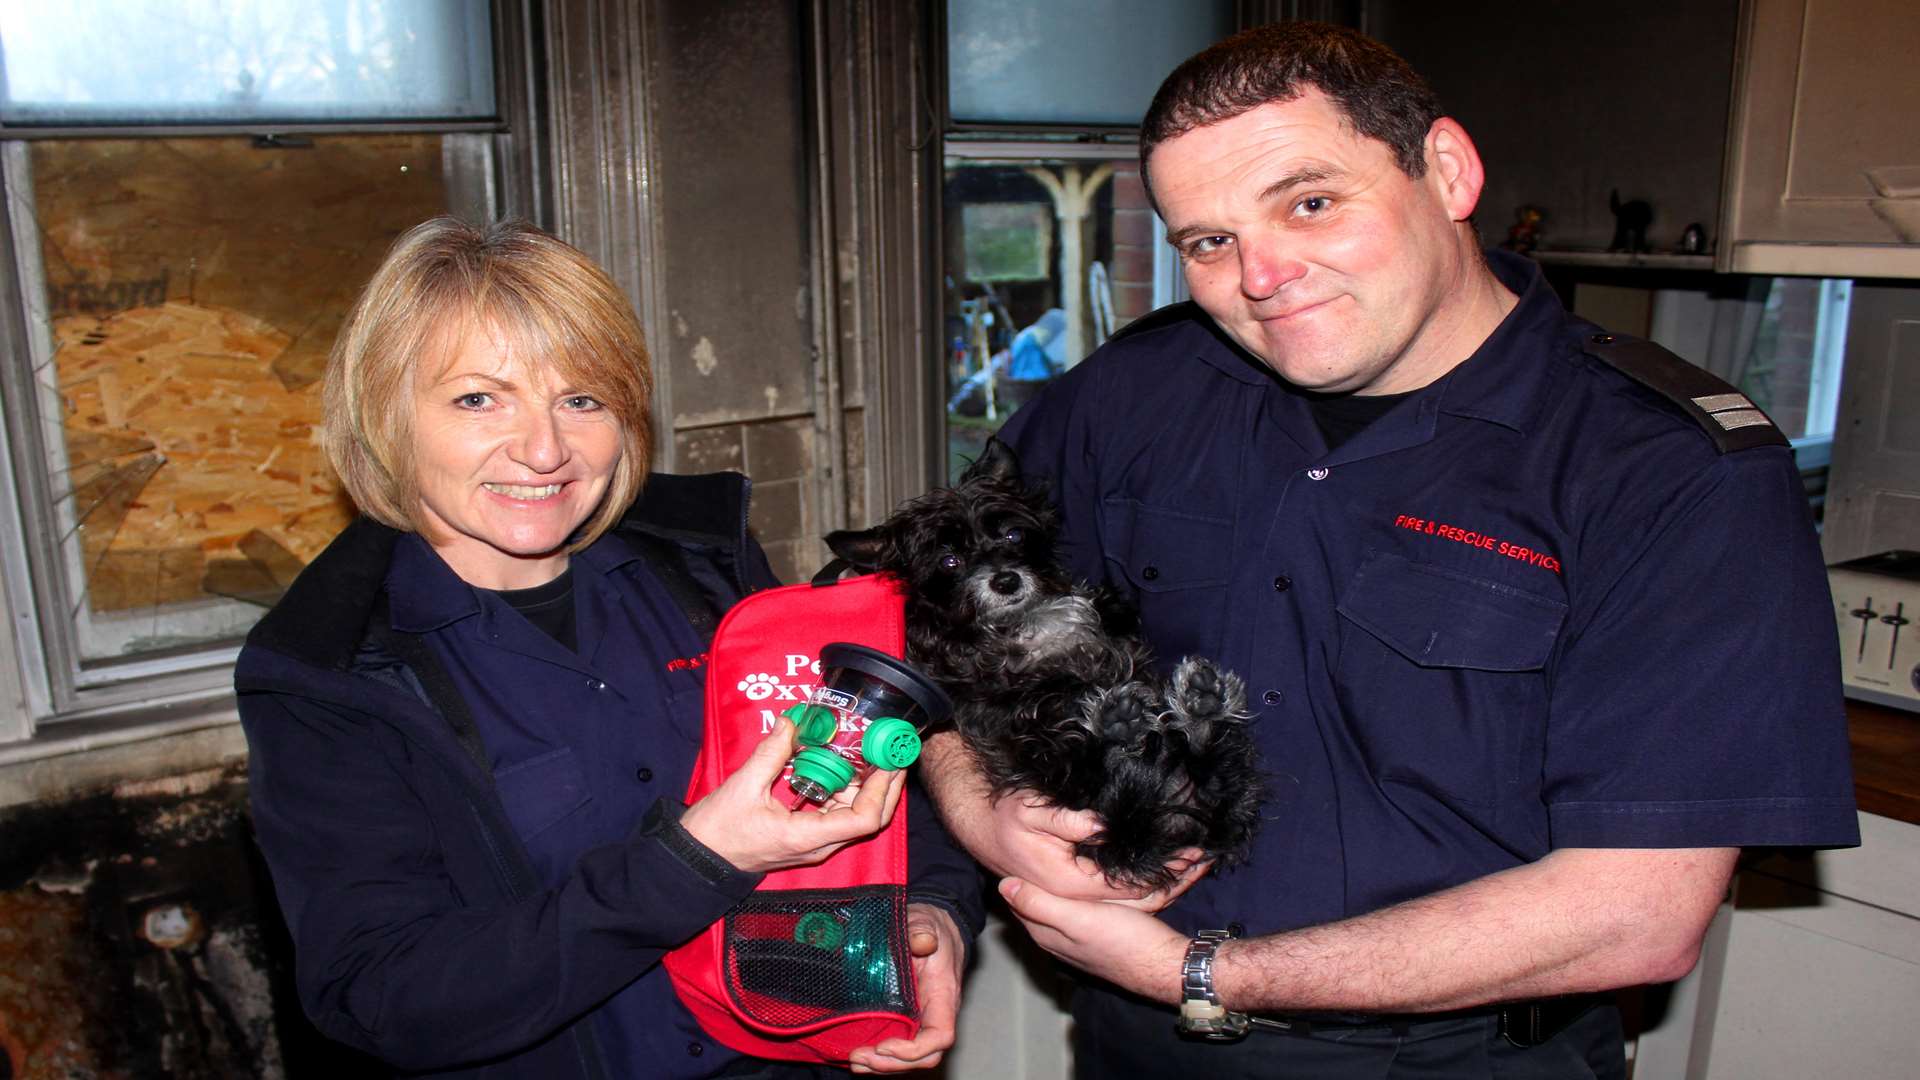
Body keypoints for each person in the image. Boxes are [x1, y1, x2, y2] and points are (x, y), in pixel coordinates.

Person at [918, 22, 1859, 1078]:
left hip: (1465, 1060)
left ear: (1446, 170)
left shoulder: (1670, 470)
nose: (1262, 274)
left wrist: (1206, 973)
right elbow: (930, 629)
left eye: (1308, 201)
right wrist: (981, 805)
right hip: (1137, 1047)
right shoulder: (1132, 396)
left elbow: (1635, 911)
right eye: (1207, 242)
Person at [236, 217, 981, 1080]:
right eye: (478, 398)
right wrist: (698, 862)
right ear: (388, 414)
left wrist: (935, 917)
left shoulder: (708, 573)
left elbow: (879, 759)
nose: (545, 449)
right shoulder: (327, 674)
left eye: (580, 398)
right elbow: (382, 993)